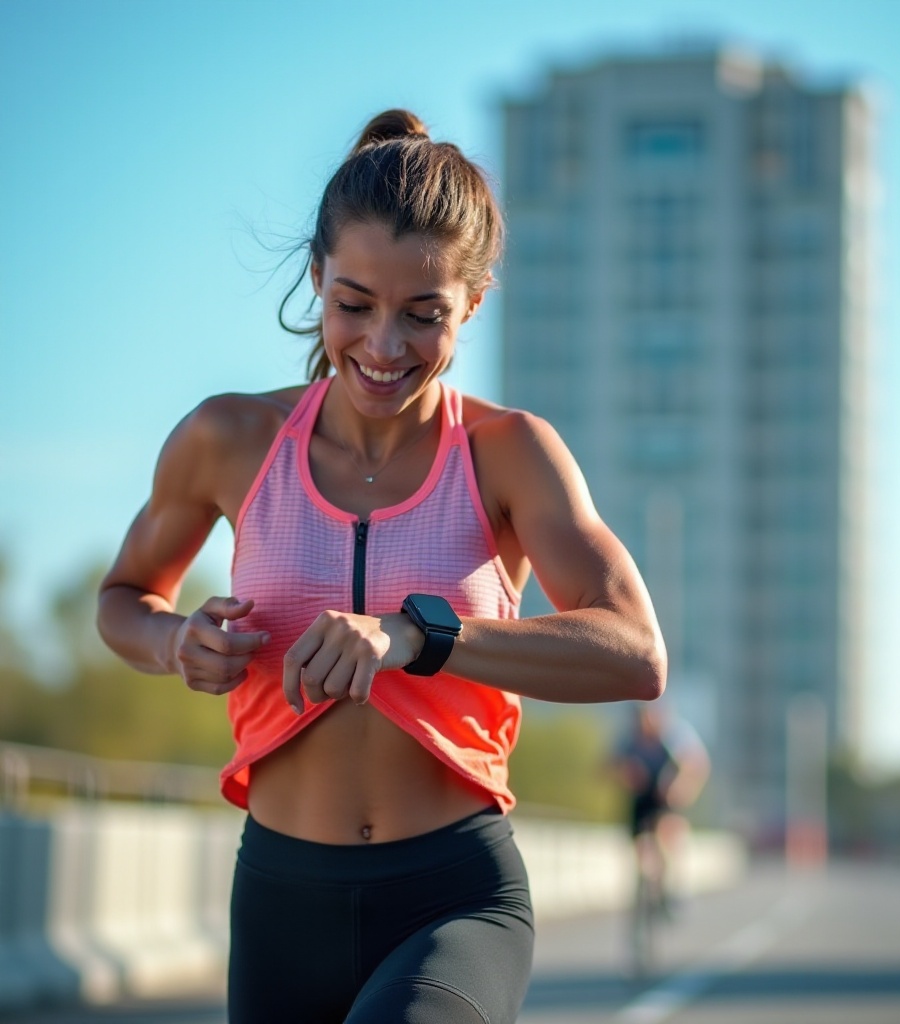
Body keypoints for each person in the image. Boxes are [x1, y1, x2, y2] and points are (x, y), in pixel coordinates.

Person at [96, 109, 667, 1024]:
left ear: (472, 302)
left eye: (423, 315)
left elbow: (635, 652)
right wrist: (175, 643)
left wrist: (421, 634)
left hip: (455, 896)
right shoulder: (228, 438)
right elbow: (123, 600)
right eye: (353, 305)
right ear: (317, 278)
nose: (384, 346)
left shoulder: (510, 452)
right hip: (280, 893)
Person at [609, 701, 710, 916]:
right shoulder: (629, 739)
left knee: (670, 833)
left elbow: (697, 764)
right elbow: (608, 766)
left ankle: (675, 887)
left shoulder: (675, 735)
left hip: (667, 795)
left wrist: (682, 787)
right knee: (640, 847)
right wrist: (626, 774)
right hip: (641, 797)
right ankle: (646, 885)